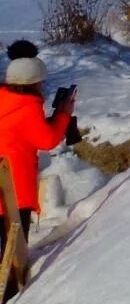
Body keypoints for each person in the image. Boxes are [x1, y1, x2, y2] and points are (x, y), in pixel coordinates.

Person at [0, 57, 75, 245]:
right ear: (33, 83)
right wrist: (63, 114)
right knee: (14, 249)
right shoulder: (27, 106)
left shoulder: (4, 98)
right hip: (14, 187)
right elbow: (47, 140)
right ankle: (14, 274)